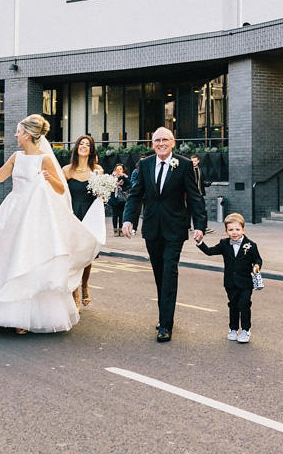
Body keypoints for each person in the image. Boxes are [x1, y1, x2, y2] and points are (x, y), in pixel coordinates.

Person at [0, 114, 103, 334]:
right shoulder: (16, 156)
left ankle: (27, 316)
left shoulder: (45, 159)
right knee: (7, 257)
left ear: (28, 134)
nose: (16, 135)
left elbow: (61, 189)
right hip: (14, 211)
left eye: (18, 131)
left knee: (28, 259)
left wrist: (48, 178)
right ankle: (6, 311)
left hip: (34, 215)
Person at [122, 128, 207, 343]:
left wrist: (199, 225)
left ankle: (166, 325)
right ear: (152, 144)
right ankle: (165, 316)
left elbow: (195, 198)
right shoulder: (145, 164)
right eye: (157, 140)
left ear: (173, 142)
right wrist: (127, 219)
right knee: (159, 274)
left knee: (170, 272)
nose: (161, 143)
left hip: (175, 228)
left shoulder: (185, 164)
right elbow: (135, 194)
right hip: (152, 227)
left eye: (165, 140)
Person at [195, 213, 262, 344]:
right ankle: (233, 329)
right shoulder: (224, 244)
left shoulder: (251, 245)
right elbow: (210, 251)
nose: (234, 233)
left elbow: (257, 259)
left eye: (237, 229)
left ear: (243, 229)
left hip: (245, 282)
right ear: (226, 231)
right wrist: (200, 243)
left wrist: (257, 266)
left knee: (244, 304)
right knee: (233, 305)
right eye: (231, 230)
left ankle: (246, 330)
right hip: (230, 282)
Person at [61, 135, 105, 309]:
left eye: (87, 144)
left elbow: (101, 195)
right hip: (72, 215)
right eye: (81, 143)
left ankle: (85, 285)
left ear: (91, 149)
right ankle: (75, 293)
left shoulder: (97, 170)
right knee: (72, 255)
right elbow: (60, 193)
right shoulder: (67, 170)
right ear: (76, 147)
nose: (84, 146)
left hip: (89, 215)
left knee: (87, 256)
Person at [107, 163, 129, 237]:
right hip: (114, 197)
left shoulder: (124, 177)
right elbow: (108, 185)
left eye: (120, 169)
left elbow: (129, 184)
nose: (119, 170)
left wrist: (123, 177)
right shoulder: (112, 177)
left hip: (122, 198)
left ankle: (121, 229)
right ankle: (115, 230)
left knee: (121, 214)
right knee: (115, 214)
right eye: (117, 169)